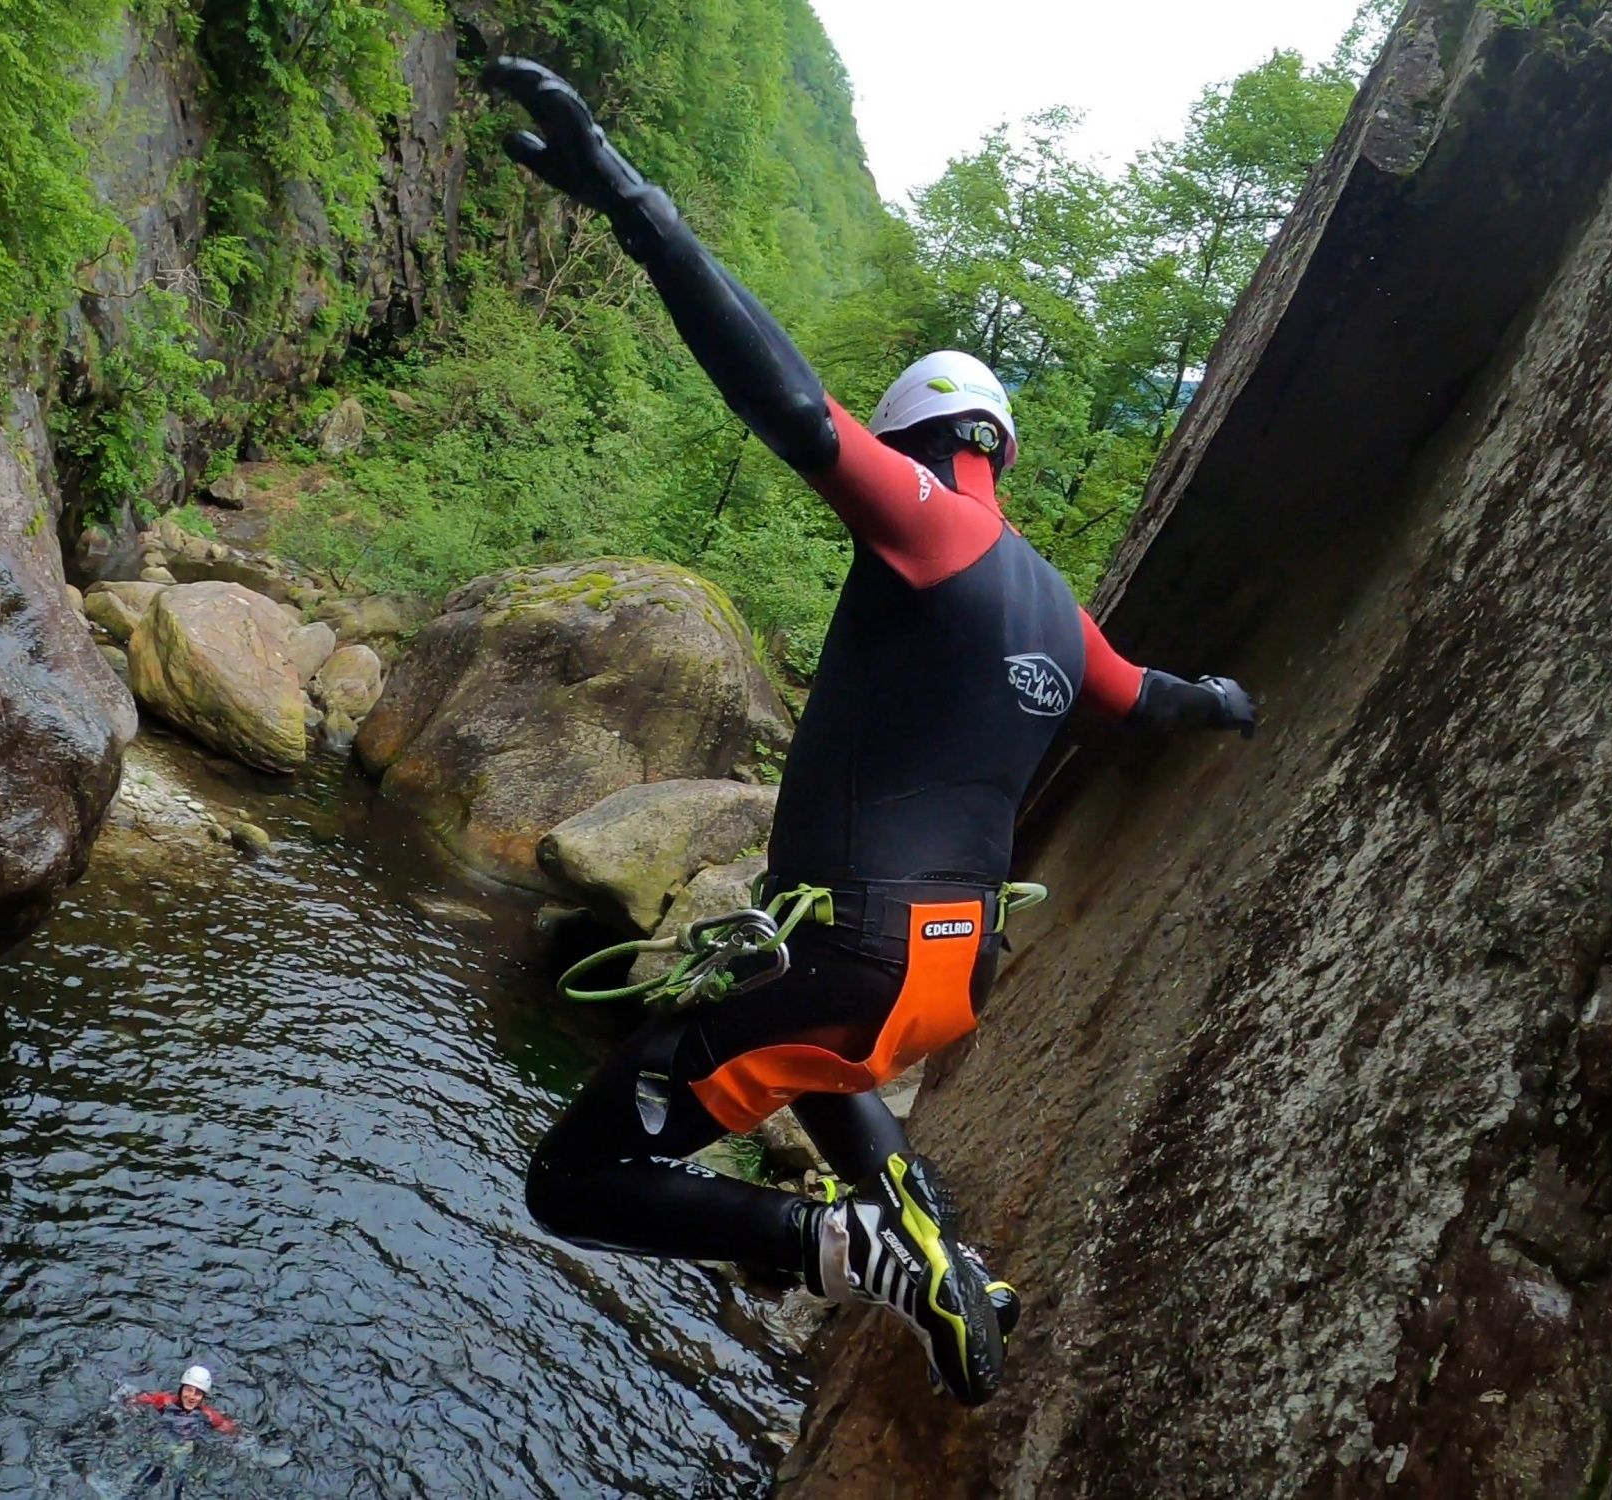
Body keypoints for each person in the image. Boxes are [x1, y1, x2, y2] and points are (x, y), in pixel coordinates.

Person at [485, 58, 1257, 1407]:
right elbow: (1162, 702)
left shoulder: (929, 523)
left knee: (576, 1179)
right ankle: (943, 1258)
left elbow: (782, 400)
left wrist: (625, 193)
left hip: (852, 957)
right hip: (950, 978)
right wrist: (1239, 706)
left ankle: (836, 1246)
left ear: (916, 443)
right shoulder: (1060, 615)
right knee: (817, 1062)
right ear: (1000, 445)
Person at [126, 1364, 238, 1438]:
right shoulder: (164, 1401)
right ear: (181, 1389)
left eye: (198, 1393)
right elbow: (133, 1400)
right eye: (189, 1390)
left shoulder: (209, 1416)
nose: (192, 1396)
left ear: (203, 1397)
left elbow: (231, 1431)